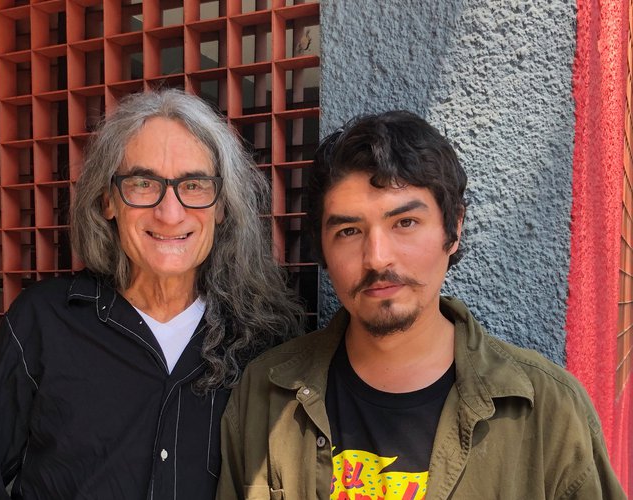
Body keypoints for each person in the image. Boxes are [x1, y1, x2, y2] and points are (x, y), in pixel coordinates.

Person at [216, 111, 626, 499]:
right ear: (321, 247)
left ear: (454, 229)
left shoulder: (548, 410)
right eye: (349, 231)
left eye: (405, 223)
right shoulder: (264, 396)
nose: (377, 258)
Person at [0, 89, 303, 500]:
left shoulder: (262, 340)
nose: (170, 213)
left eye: (194, 185)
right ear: (108, 200)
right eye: (143, 183)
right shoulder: (42, 322)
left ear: (221, 206)